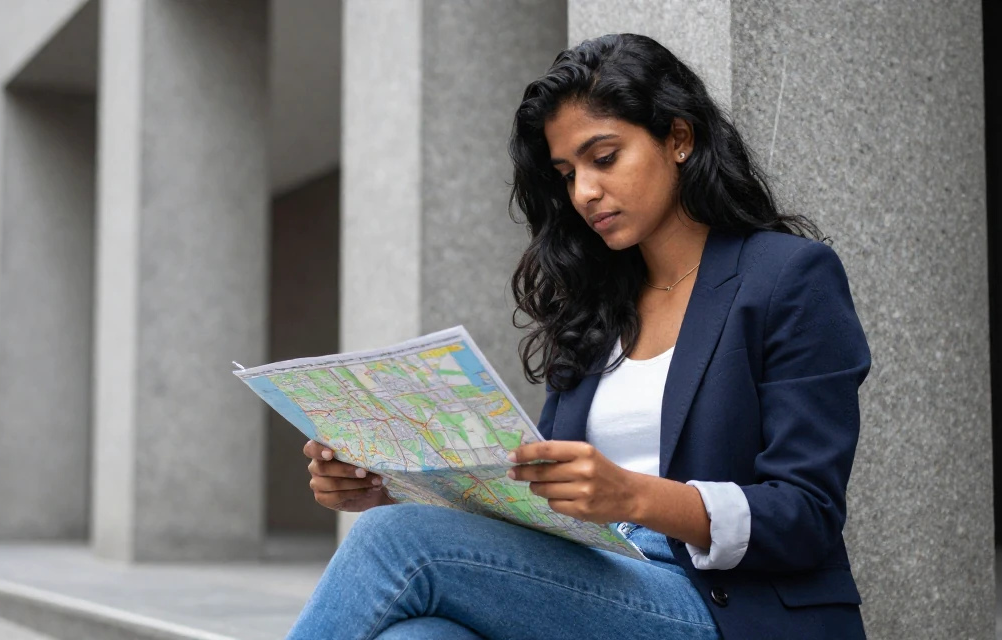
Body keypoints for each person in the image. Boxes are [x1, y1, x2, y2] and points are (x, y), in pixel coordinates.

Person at [288, 33, 871, 640]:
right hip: (593, 585)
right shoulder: (597, 305)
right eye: (568, 174)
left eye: (605, 157)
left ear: (678, 138)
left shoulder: (787, 278)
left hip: (725, 607)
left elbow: (808, 513)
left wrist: (632, 496)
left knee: (394, 541)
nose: (584, 193)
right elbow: (535, 505)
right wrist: (390, 488)